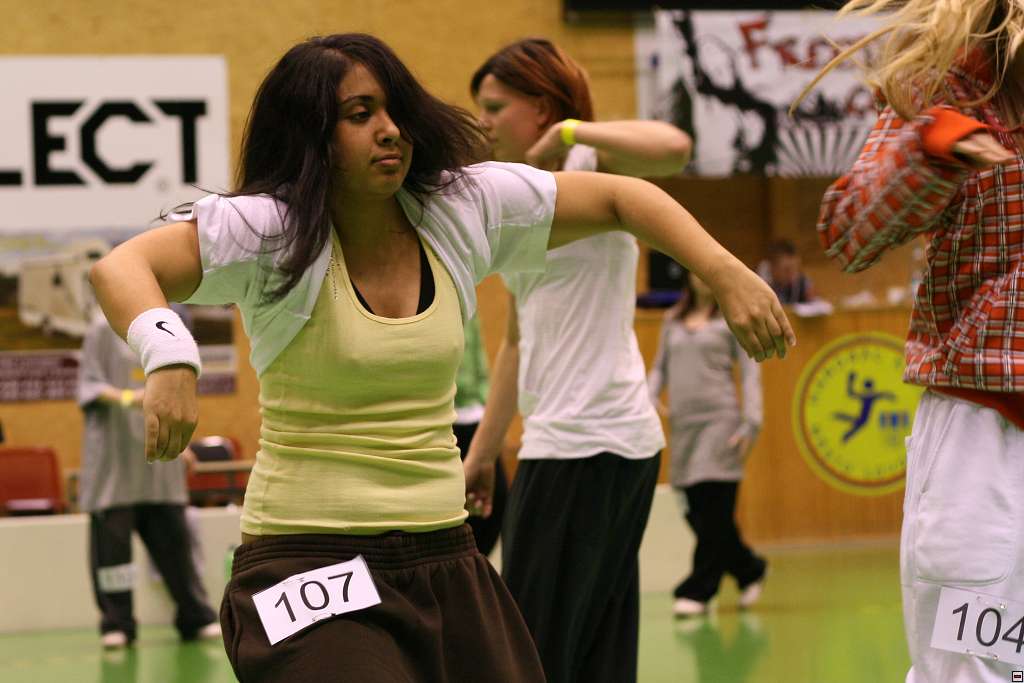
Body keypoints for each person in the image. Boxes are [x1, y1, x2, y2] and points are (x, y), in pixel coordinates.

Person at [89, 33, 794, 683]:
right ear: (312, 137)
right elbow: (122, 267)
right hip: (306, 560)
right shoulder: (269, 228)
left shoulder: (460, 208)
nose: (390, 129)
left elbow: (621, 195)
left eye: (394, 109)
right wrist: (170, 356)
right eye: (359, 114)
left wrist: (725, 271)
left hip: (444, 557)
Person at [462, 38, 704, 683]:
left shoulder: (596, 164)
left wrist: (574, 131)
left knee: (533, 654)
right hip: (575, 442)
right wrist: (483, 453)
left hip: (588, 439)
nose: (483, 122)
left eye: (495, 107)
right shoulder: (514, 198)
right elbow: (518, 341)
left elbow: (675, 146)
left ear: (541, 109)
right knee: (595, 654)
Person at [804, 2, 1024, 681]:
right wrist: (932, 146)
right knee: (969, 667)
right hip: (985, 430)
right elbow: (848, 232)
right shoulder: (949, 89)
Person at [77, 307, 219, 649]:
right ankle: (117, 624)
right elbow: (89, 386)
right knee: (113, 560)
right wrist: (131, 398)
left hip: (159, 466)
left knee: (176, 549)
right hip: (114, 468)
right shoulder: (101, 329)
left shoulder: (170, 327)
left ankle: (195, 617)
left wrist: (182, 446)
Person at [647, 271, 766, 618]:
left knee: (715, 508)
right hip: (683, 427)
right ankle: (749, 568)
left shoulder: (733, 318)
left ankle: (698, 590)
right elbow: (659, 368)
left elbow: (750, 370)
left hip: (720, 423)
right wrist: (648, 397)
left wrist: (752, 420)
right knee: (696, 511)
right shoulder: (672, 320)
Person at [453, 315, 505, 555]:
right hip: (446, 419)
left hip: (477, 418)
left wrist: (486, 405)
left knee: (493, 505)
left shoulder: (468, 299)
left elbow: (478, 355)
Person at [756, 239, 816, 304]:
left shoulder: (802, 281)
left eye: (796, 269)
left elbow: (813, 303)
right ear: (772, 267)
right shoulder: (760, 283)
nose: (792, 275)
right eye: (787, 270)